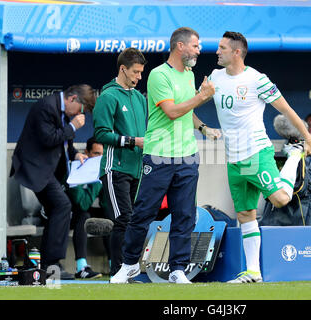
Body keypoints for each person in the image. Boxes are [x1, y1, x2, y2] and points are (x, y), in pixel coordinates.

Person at [110, 27, 219, 284]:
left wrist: (202, 127)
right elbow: (171, 111)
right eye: (195, 45)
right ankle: (128, 265)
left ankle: (177, 269)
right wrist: (202, 97)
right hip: (159, 155)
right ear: (180, 47)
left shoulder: (189, 74)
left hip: (187, 156)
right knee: (144, 213)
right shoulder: (159, 75)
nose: (199, 50)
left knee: (184, 215)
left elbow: (186, 111)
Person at [207, 31, 311, 283]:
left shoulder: (258, 80)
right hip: (234, 159)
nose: (216, 51)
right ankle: (253, 272)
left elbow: (286, 109)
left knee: (278, 199)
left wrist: (306, 138)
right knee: (245, 214)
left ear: (236, 52)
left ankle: (294, 156)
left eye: (222, 48)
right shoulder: (214, 77)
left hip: (256, 152)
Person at [10, 84, 97, 279]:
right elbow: (49, 139)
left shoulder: (62, 111)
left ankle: (48, 265)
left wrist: (76, 155)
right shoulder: (46, 107)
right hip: (35, 168)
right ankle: (52, 264)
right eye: (81, 110)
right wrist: (73, 126)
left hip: (48, 170)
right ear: (73, 99)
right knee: (62, 205)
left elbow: (65, 144)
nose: (80, 115)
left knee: (56, 209)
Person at [92, 47, 148, 277]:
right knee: (124, 219)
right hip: (115, 169)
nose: (139, 77)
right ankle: (118, 272)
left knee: (135, 220)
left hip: (137, 169)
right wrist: (134, 141)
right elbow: (101, 134)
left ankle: (129, 270)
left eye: (141, 72)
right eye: (135, 72)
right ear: (123, 69)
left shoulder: (139, 98)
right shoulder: (108, 96)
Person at [66, 136, 110, 279]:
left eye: (102, 155)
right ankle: (81, 267)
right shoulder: (77, 167)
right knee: (84, 216)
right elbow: (82, 203)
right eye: (96, 154)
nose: (99, 159)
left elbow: (105, 203)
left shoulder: (103, 168)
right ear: (87, 152)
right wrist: (97, 182)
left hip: (87, 212)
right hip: (66, 215)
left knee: (108, 217)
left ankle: (114, 263)